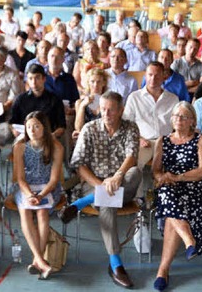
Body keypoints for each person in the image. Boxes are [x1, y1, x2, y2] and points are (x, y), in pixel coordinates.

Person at [60, 91, 142, 289]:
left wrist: (117, 176)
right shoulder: (89, 129)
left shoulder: (130, 127)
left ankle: (81, 203)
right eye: (103, 109)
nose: (106, 114)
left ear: (121, 110)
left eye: (111, 110)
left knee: (135, 172)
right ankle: (116, 264)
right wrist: (100, 184)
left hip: (122, 183)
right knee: (107, 203)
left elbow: (132, 155)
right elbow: (79, 165)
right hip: (94, 183)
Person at [152, 102, 202, 291]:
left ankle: (163, 270)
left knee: (171, 209)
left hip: (195, 189)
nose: (179, 119)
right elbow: (156, 170)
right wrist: (161, 178)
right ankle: (189, 241)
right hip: (170, 187)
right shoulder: (163, 141)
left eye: (184, 116)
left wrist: (178, 177)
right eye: (176, 116)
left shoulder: (200, 140)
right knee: (166, 193)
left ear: (192, 121)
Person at [12, 112, 63, 279]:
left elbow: (54, 179)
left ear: (45, 128)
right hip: (26, 187)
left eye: (36, 126)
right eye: (28, 127)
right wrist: (29, 194)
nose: (32, 130)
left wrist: (40, 196)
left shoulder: (56, 147)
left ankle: (37, 260)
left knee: (42, 212)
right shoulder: (20, 146)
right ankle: (40, 261)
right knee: (25, 211)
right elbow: (20, 178)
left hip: (47, 188)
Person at [123, 62, 179, 196]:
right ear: (145, 76)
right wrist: (139, 138)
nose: (153, 79)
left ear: (164, 77)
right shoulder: (134, 97)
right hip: (144, 141)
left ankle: (168, 199)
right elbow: (126, 124)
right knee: (134, 165)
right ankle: (138, 199)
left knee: (180, 162)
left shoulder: (172, 99)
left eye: (157, 75)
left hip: (166, 142)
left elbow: (177, 125)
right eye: (150, 75)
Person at [10, 64, 66, 138]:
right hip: (25, 138)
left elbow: (61, 126)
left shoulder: (54, 99)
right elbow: (12, 122)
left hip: (48, 138)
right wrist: (16, 132)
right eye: (30, 78)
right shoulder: (20, 99)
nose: (34, 82)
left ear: (44, 79)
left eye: (37, 78)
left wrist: (52, 136)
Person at [74, 69, 108, 133]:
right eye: (92, 81)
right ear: (88, 83)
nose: (95, 85)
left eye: (99, 82)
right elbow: (78, 128)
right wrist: (82, 106)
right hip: (86, 135)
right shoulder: (79, 103)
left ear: (104, 83)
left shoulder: (108, 102)